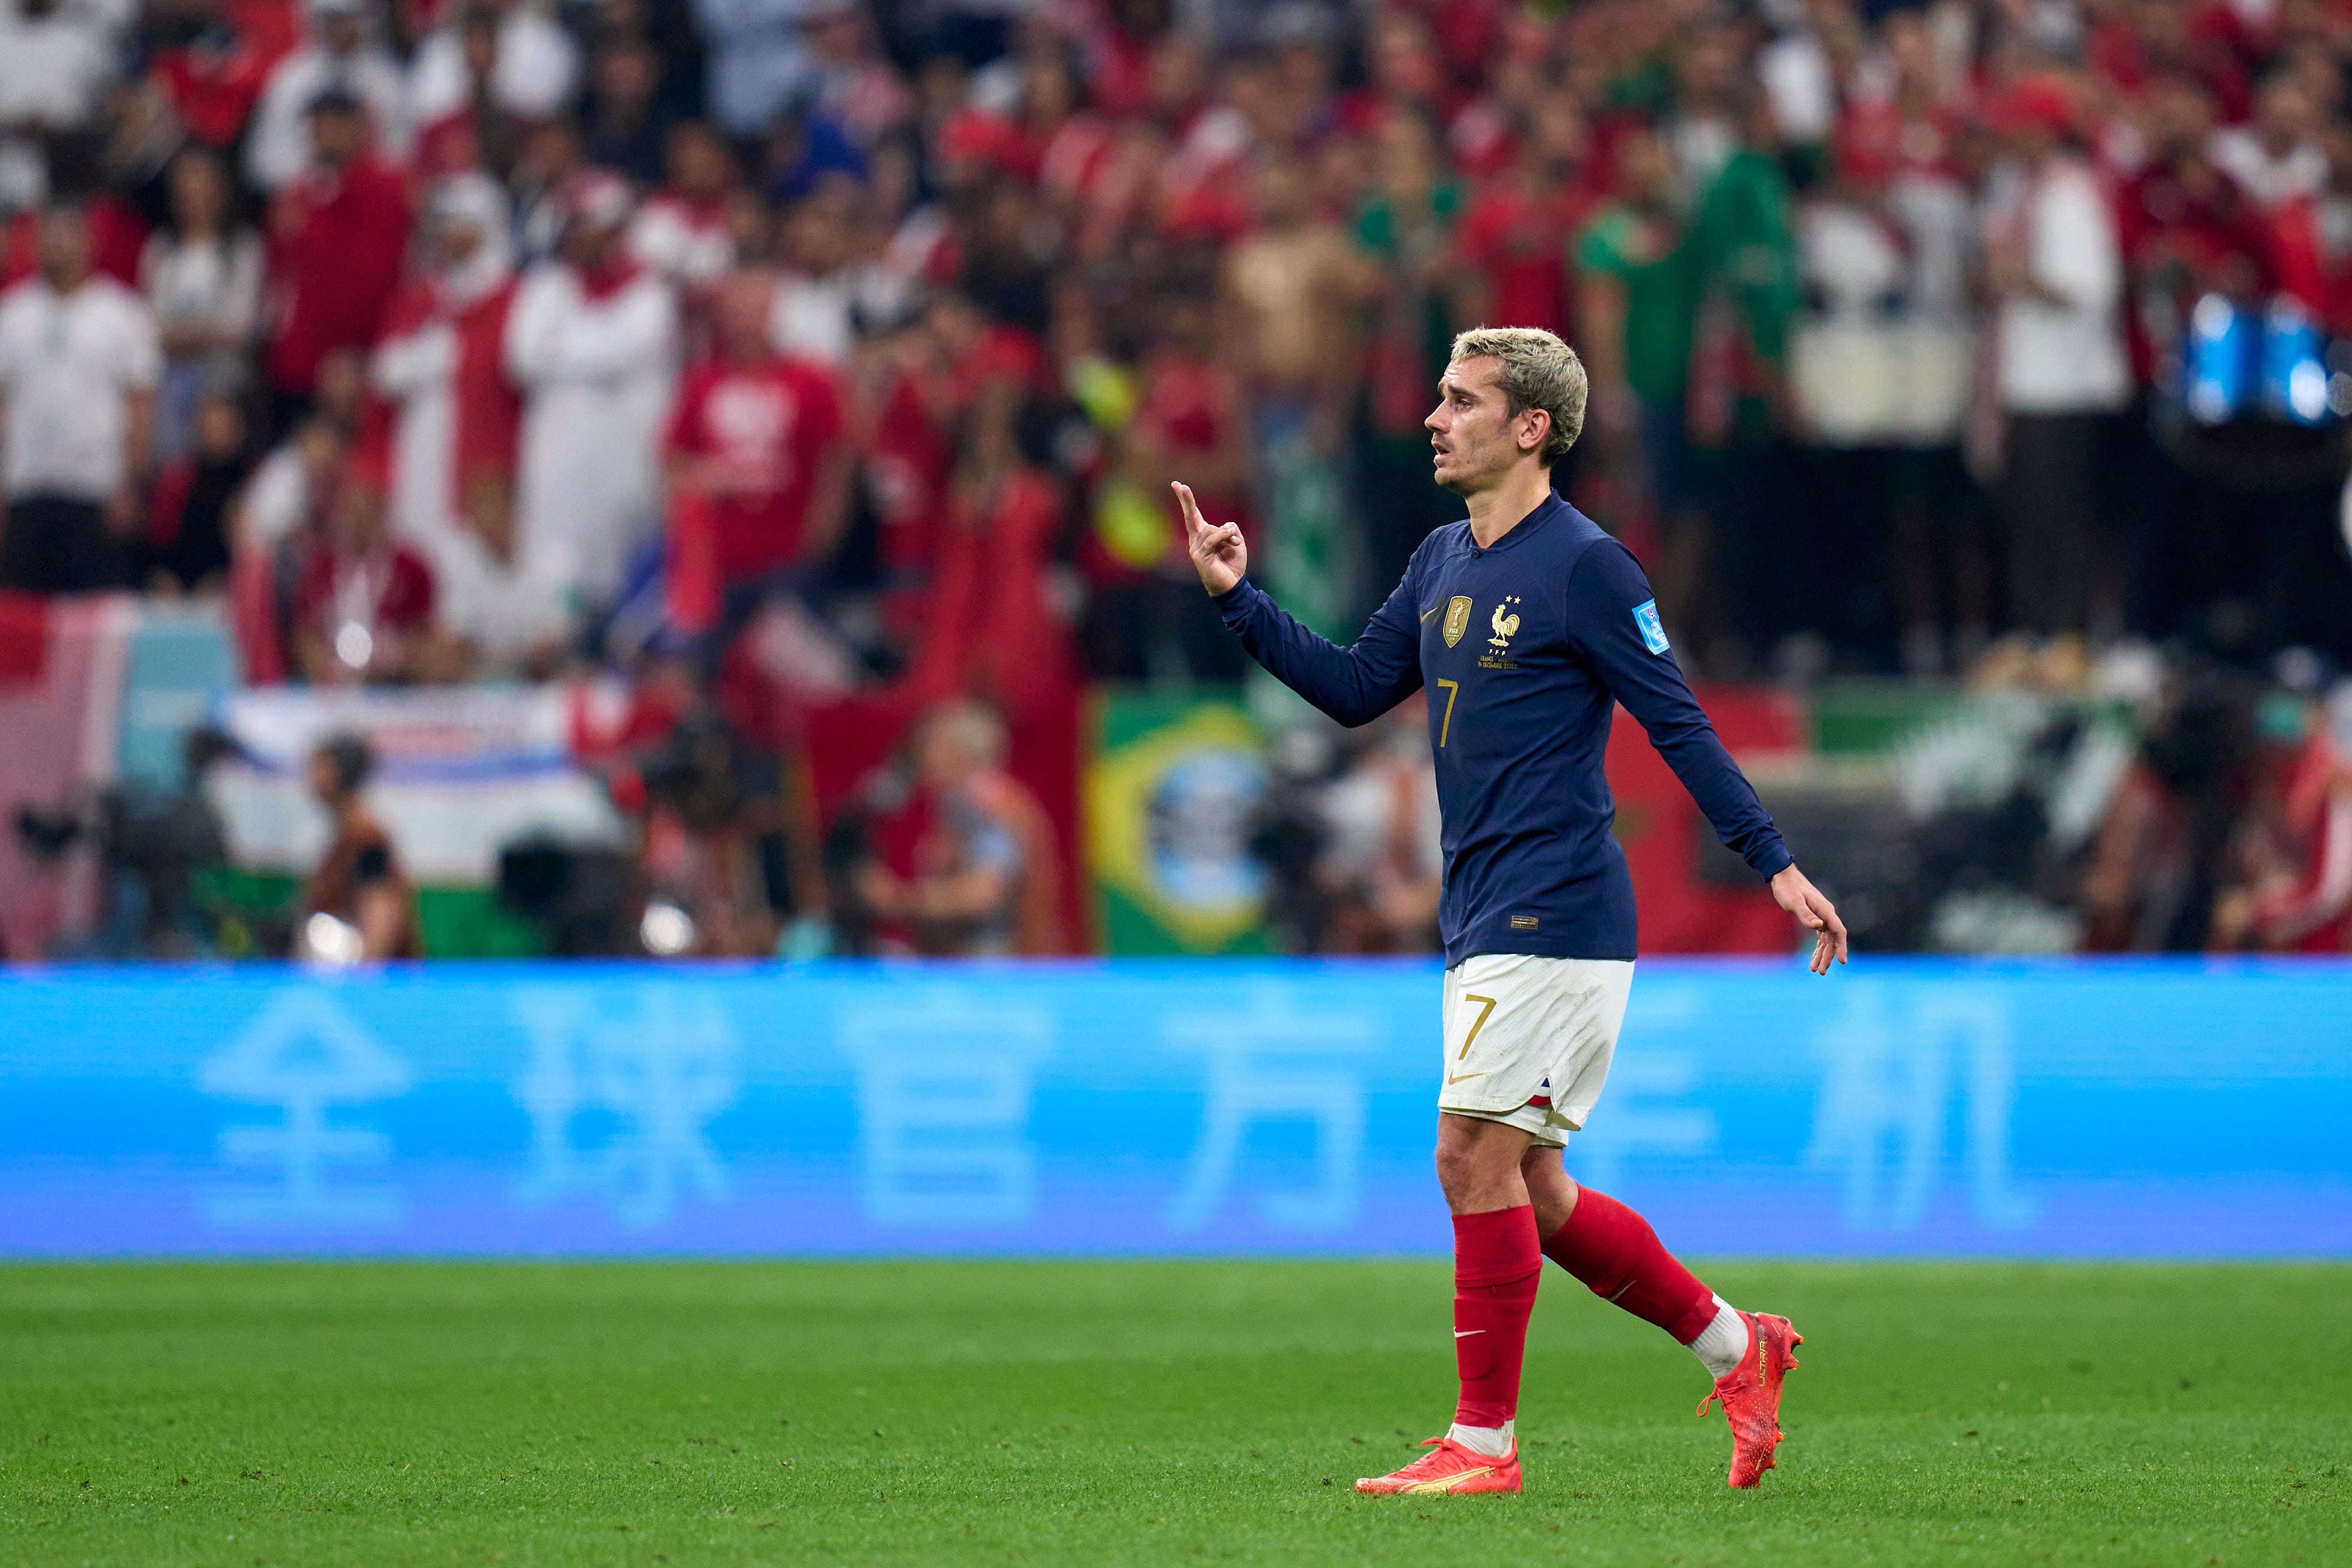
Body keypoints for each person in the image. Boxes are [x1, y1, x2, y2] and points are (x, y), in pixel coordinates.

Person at [1178, 325, 1847, 1496]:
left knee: (1464, 1154)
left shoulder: (1586, 567)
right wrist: (1240, 601)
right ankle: (1740, 1346)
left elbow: (1674, 717)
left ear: (1529, 428)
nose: (1433, 418)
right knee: (1529, 1189)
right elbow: (1349, 688)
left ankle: (1481, 1442)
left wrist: (1771, 859)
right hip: (1483, 907)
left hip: (1556, 907)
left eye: (1459, 399)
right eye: (1438, 396)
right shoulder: (1442, 557)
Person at [506, 170, 679, 611]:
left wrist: (562, 349)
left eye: (594, 225)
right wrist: (593, 347)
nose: (584, 236)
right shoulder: (546, 286)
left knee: (626, 561)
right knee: (553, 567)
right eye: (577, 225)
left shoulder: (650, 290)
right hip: (557, 454)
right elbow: (522, 357)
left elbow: (625, 350)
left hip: (625, 453)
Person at [0, 202, 161, 593]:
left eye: (66, 236)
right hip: (27, 486)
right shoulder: (13, 314)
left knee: (91, 617)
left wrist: (130, 483)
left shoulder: (122, 314)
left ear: (88, 243)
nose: (56, 246)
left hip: (96, 489)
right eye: (47, 237)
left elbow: (140, 407)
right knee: (24, 617)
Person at [299, 732, 419, 960]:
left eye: (320, 769)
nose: (311, 778)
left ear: (340, 773)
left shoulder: (367, 839)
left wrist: (361, 985)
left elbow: (379, 918)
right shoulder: (345, 836)